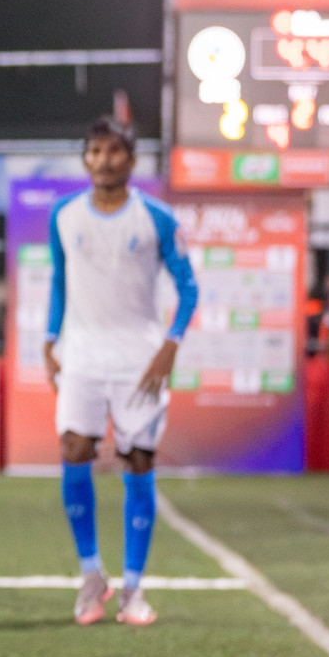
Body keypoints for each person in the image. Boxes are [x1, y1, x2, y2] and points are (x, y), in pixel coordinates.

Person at [44, 117, 198, 628]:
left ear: (131, 161)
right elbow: (60, 284)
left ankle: (133, 587)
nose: (103, 160)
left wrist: (170, 345)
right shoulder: (63, 216)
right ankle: (92, 575)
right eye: (94, 151)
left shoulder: (156, 218)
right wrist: (50, 340)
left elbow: (189, 287)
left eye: (113, 152)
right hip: (83, 355)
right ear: (85, 159)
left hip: (140, 359)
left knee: (137, 459)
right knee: (74, 450)